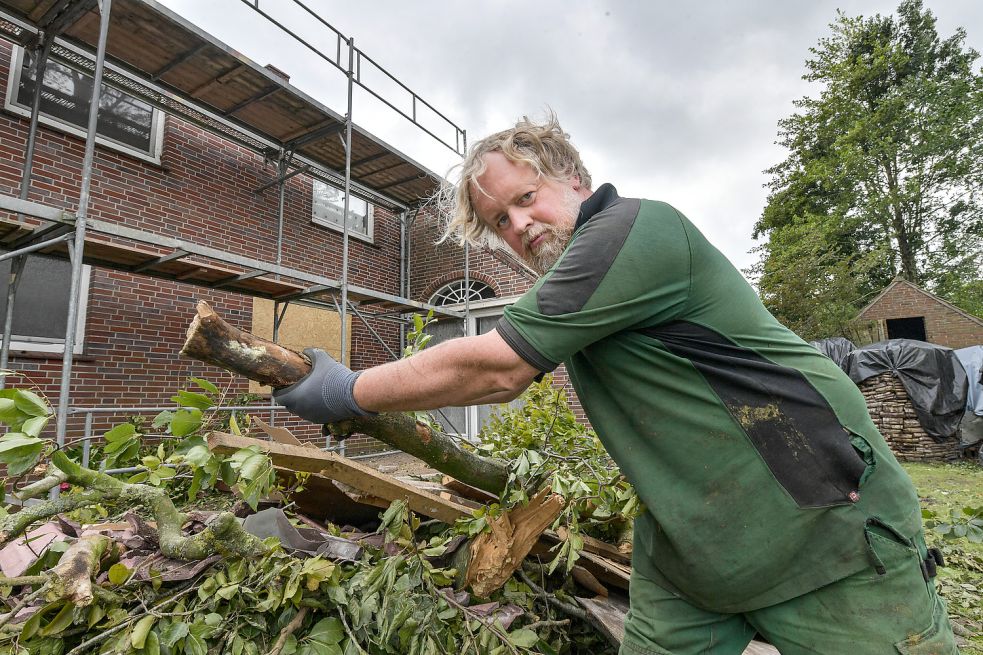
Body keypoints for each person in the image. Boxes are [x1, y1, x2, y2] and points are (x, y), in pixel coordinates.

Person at [275, 116, 959, 655]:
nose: (519, 227)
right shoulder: (578, 282)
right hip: (692, 549)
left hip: (821, 531)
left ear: (572, 177)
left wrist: (347, 390)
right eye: (499, 223)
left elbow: (496, 367)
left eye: (524, 198)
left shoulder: (632, 230)